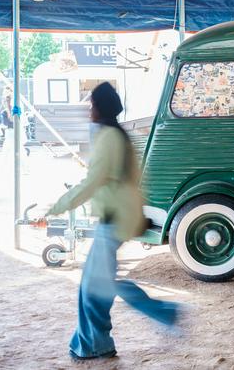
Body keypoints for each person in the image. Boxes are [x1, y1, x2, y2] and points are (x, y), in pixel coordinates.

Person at [46, 82, 179, 361]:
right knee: (96, 285)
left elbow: (93, 181)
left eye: (91, 105)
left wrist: (57, 207)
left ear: (100, 108)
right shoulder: (115, 134)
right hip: (120, 216)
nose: (88, 110)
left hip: (115, 219)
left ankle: (102, 342)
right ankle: (92, 342)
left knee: (96, 287)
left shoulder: (108, 137)